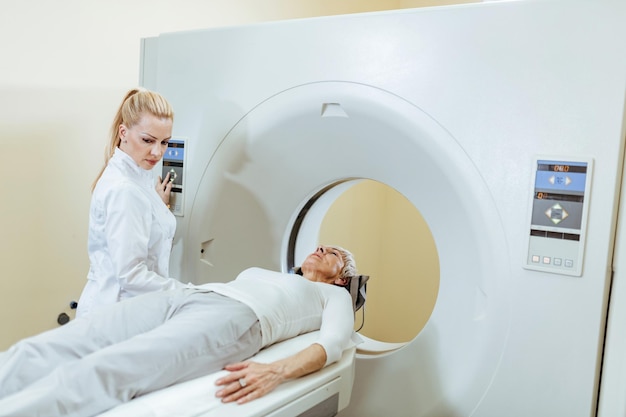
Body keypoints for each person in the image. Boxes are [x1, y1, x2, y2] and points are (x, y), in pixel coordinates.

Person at [0, 245, 358, 416]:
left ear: (341, 277)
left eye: (333, 253)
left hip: (236, 320)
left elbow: (334, 343)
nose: (321, 248)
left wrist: (277, 371)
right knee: (65, 341)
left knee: (110, 368)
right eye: (320, 246)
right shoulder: (272, 273)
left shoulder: (332, 296)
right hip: (188, 296)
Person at [76, 87, 186, 317]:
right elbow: (131, 274)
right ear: (123, 132)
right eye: (148, 140)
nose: (157, 152)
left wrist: (158, 206)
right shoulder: (125, 189)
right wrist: (186, 293)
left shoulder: (138, 178)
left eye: (165, 142)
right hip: (115, 312)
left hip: (125, 308)